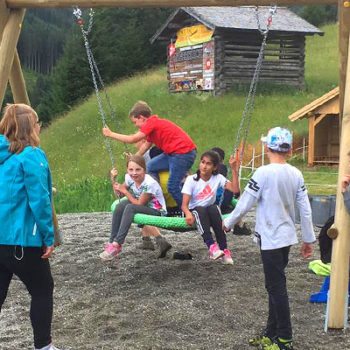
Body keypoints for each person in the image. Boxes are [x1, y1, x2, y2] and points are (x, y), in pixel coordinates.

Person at [223, 127, 315, 350]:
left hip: (271, 238)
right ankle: (271, 333)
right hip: (286, 238)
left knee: (276, 288)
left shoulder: (263, 172)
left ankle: (284, 339)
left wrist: (227, 222)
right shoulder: (296, 173)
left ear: (266, 147)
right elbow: (305, 208)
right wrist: (308, 239)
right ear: (290, 150)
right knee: (274, 285)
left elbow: (245, 201)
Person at [0, 104, 60, 350]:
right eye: (37, 124)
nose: (39, 128)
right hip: (22, 239)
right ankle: (43, 346)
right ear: (30, 128)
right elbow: (40, 200)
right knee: (42, 288)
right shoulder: (32, 155)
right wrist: (48, 236)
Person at [102, 100, 197, 207]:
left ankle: (188, 210)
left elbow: (133, 139)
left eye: (135, 122)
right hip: (172, 154)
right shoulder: (152, 128)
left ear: (142, 118)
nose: (136, 126)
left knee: (172, 186)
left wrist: (110, 134)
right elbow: (145, 147)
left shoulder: (151, 123)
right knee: (150, 166)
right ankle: (152, 192)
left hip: (183, 153)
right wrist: (133, 160)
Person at [100, 155, 171, 261]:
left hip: (156, 211)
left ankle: (117, 244)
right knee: (120, 206)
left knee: (130, 208)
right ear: (127, 170)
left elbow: (139, 204)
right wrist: (113, 178)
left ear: (144, 170)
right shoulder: (129, 178)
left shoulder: (149, 183)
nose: (134, 173)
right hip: (141, 206)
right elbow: (119, 195)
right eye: (131, 169)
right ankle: (111, 242)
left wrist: (125, 191)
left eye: (138, 169)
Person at [181, 150, 240, 265]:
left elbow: (236, 190)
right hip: (194, 211)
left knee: (214, 208)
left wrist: (233, 169)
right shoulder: (191, 180)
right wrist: (188, 213)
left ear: (214, 167)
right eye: (203, 162)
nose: (204, 166)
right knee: (201, 209)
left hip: (209, 210)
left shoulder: (218, 178)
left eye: (208, 164)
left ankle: (224, 250)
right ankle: (212, 247)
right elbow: (184, 205)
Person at [211, 147, 251, 236]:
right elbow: (236, 192)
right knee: (234, 204)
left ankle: (239, 225)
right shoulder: (221, 167)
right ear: (222, 159)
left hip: (212, 201)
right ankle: (239, 225)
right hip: (220, 203)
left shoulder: (206, 169)